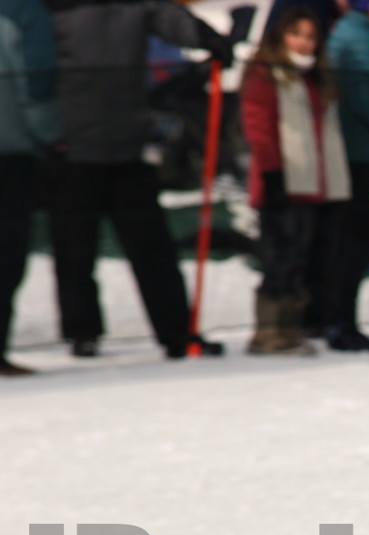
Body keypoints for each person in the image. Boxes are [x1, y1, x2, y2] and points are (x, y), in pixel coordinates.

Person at [43, 0, 231, 359]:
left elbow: (165, 15)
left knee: (152, 248)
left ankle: (176, 332)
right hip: (71, 148)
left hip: (126, 143)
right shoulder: (52, 8)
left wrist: (205, 37)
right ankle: (82, 332)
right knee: (75, 250)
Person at [241, 7, 351, 355]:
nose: (303, 43)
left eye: (310, 36)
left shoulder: (315, 77)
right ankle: (268, 331)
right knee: (280, 258)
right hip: (281, 181)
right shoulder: (265, 74)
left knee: (301, 258)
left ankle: (291, 330)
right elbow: (258, 127)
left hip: (313, 183)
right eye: (296, 34)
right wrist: (272, 174)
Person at [324, 0, 369, 352]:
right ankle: (341, 322)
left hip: (353, 150)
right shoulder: (358, 36)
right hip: (359, 153)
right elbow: (366, 100)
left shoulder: (351, 32)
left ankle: (336, 319)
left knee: (349, 239)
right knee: (357, 239)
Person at [0, 0, 62, 376]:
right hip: (10, 151)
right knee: (6, 253)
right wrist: (53, 136)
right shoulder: (22, 12)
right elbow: (37, 82)